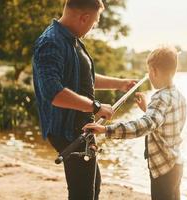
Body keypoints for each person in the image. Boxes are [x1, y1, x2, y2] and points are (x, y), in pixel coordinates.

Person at [32, 0, 136, 199]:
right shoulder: (50, 42)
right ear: (84, 18)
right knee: (83, 194)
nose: (93, 27)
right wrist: (96, 107)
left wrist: (120, 83)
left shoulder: (71, 40)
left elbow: (83, 78)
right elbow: (53, 92)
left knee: (93, 186)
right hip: (68, 132)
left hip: (81, 129)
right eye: (94, 22)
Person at [83, 46, 187, 200]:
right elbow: (164, 123)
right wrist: (147, 109)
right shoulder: (178, 95)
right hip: (176, 163)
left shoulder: (159, 98)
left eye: (149, 72)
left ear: (154, 71)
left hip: (162, 167)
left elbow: (143, 126)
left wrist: (105, 129)